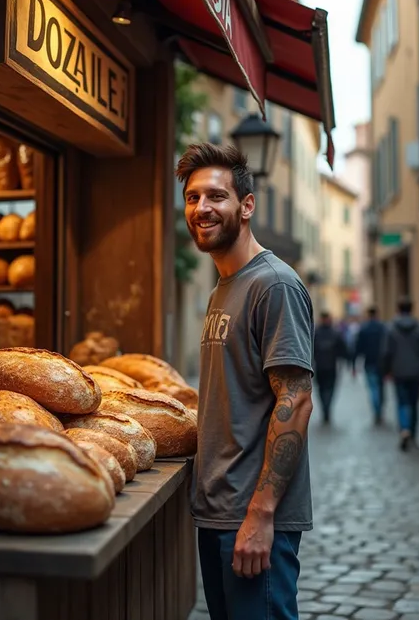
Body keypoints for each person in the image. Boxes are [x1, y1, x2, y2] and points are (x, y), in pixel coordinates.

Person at [176, 143, 314, 620]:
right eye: (192, 198)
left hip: (251, 518)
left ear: (247, 205)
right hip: (219, 512)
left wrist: (261, 514)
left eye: (216, 196)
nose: (201, 208)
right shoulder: (225, 286)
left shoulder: (273, 284)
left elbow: (294, 401)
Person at [381, 296, 419, 451]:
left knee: (402, 402)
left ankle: (404, 429)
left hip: (399, 372)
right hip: (416, 372)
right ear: (412, 309)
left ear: (398, 309)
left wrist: (387, 370)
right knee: (414, 402)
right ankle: (414, 433)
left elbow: (386, 352)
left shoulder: (391, 328)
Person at [354, 306, 387, 424]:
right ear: (377, 314)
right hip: (382, 363)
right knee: (380, 387)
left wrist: (354, 364)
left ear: (368, 315)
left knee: (373, 388)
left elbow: (358, 348)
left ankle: (376, 411)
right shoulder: (383, 328)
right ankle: (379, 410)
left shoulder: (364, 329)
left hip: (369, 363)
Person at [313, 311, 348, 424]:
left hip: (319, 367)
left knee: (322, 390)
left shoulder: (315, 333)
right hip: (331, 367)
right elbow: (343, 350)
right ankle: (327, 409)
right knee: (329, 389)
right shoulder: (335, 333)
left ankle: (325, 409)